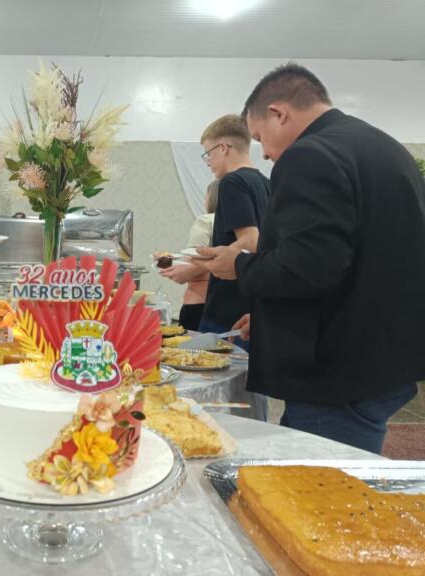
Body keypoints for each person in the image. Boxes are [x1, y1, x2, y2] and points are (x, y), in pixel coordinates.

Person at [198, 63, 425, 453]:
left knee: (325, 493)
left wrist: (236, 266)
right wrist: (273, 317)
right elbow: (354, 261)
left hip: (335, 372)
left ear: (279, 113)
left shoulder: (308, 155)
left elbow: (306, 268)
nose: (266, 153)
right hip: (384, 357)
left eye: (259, 137)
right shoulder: (386, 148)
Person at [196, 114, 271, 349]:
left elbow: (251, 241)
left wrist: (197, 266)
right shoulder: (267, 184)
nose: (208, 161)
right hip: (253, 305)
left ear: (224, 148)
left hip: (227, 310)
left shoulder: (231, 183)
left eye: (208, 153)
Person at [159, 179, 218, 331]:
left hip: (198, 301)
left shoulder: (206, 221)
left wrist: (176, 268)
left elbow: (195, 260)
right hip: (228, 305)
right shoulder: (244, 227)